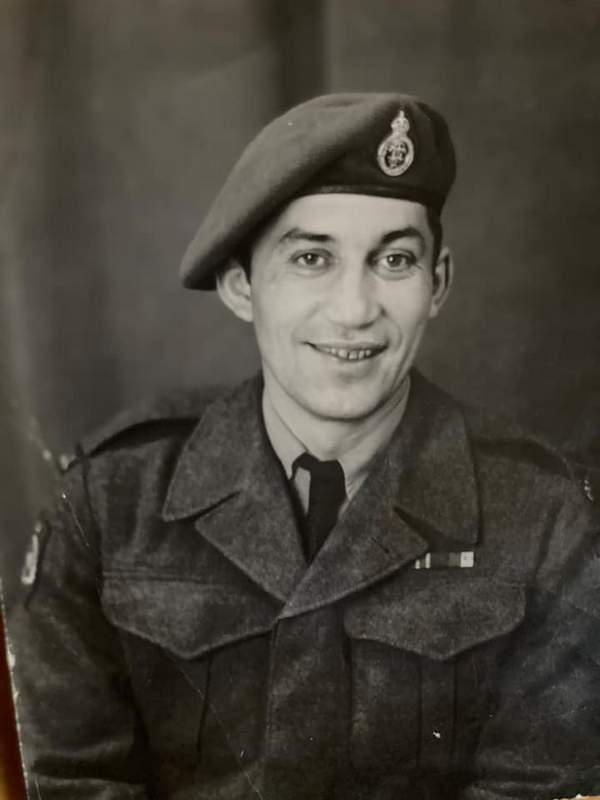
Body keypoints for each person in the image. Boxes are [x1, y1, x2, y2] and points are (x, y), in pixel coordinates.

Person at [9, 93, 600, 800]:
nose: (354, 310)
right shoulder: (111, 501)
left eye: (395, 259)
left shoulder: (543, 513)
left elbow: (539, 787)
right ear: (241, 285)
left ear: (437, 284)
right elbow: (70, 781)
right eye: (312, 258)